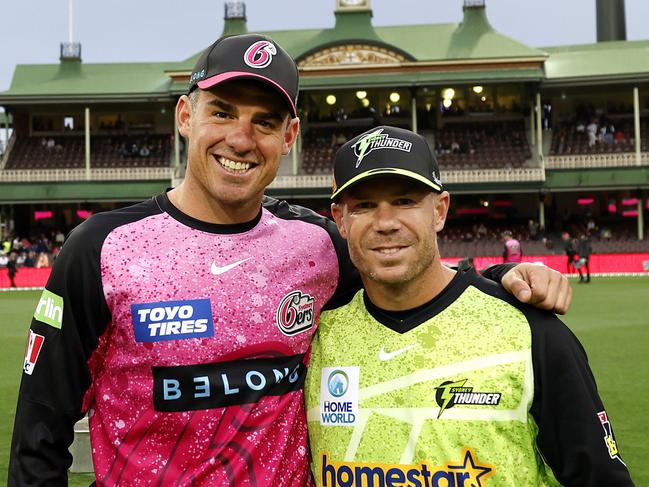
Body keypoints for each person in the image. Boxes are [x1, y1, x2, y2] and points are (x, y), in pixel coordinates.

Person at [9, 35, 572, 485]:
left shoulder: (318, 246)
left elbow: (412, 283)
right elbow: (40, 433)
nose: (241, 138)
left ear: (290, 135)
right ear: (185, 115)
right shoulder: (102, 249)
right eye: (222, 112)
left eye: (265, 122)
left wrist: (504, 278)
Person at [305, 126, 633, 486]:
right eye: (364, 205)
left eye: (405, 201)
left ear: (440, 210)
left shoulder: (529, 331)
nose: (385, 223)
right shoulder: (315, 337)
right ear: (340, 220)